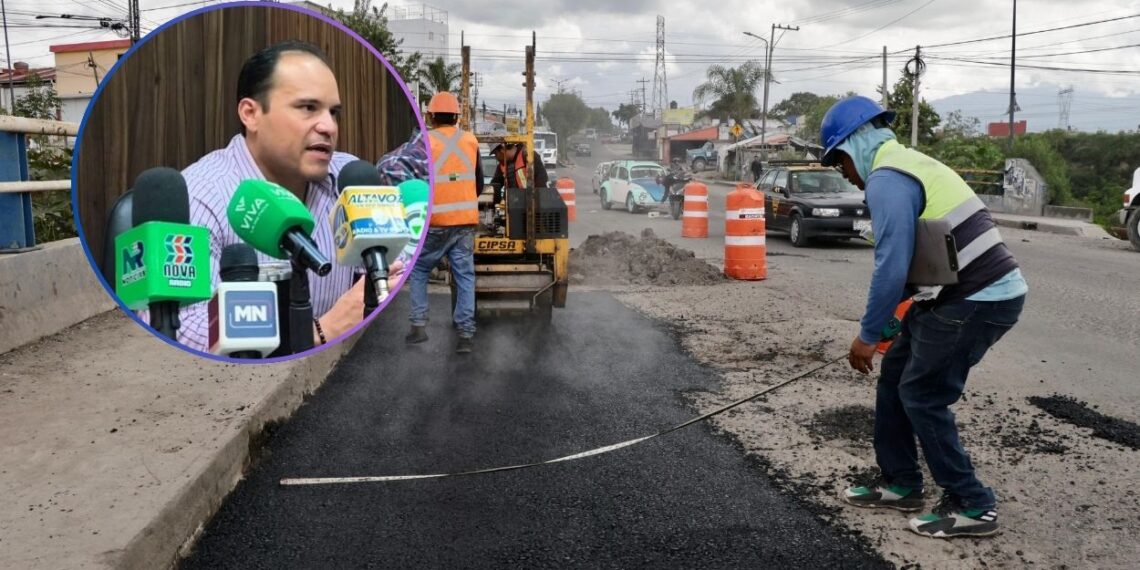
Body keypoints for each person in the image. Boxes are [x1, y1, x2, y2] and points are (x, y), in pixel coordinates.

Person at [821, 96, 1027, 539]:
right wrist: (890, 320)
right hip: (952, 294)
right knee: (896, 377)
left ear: (855, 143)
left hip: (978, 298)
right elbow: (925, 257)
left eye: (839, 160)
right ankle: (901, 484)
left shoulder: (887, 178)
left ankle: (973, 504)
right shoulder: (905, 164)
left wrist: (867, 335)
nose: (843, 172)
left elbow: (891, 265)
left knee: (923, 394)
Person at [164, 40, 402, 353]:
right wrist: (317, 332)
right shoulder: (200, 197)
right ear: (251, 114)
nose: (329, 126)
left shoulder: (350, 180)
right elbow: (182, 330)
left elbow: (386, 272)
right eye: (308, 108)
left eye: (334, 112)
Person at [406, 91, 483, 354]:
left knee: (419, 270)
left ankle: (418, 327)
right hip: (464, 223)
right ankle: (466, 335)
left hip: (434, 222)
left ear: (430, 116)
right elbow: (478, 181)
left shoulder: (424, 142)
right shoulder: (470, 141)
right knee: (464, 277)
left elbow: (416, 184)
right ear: (456, 116)